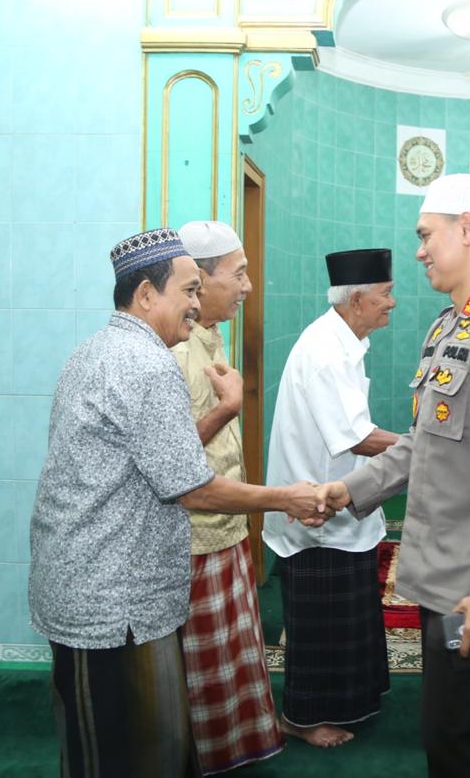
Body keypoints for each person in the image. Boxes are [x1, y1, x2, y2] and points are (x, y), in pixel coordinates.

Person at [28, 229, 329, 777]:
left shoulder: (98, 349)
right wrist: (287, 497)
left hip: (117, 594)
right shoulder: (145, 364)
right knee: (118, 754)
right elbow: (192, 486)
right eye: (188, 291)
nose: (197, 304)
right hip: (108, 603)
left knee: (151, 744)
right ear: (146, 295)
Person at [321, 173, 470, 777]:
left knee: (469, 749)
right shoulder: (449, 327)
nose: (420, 250)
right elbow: (423, 446)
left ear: (467, 228)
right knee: (445, 741)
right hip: (443, 578)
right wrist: (350, 489)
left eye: (426, 235)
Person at [263, 248, 400, 748]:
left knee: (350, 615)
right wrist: (422, 444)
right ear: (358, 299)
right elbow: (357, 437)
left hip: (342, 507)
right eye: (386, 295)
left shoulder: (344, 341)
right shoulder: (325, 351)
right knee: (319, 623)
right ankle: (300, 717)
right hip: (316, 516)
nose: (393, 303)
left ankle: (351, 697)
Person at [172, 220, 283, 774]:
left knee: (236, 649)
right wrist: (227, 409)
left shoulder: (210, 336)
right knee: (206, 659)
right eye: (237, 275)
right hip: (195, 535)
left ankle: (244, 739)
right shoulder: (173, 348)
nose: (247, 287)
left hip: (226, 528)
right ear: (200, 279)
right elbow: (168, 458)